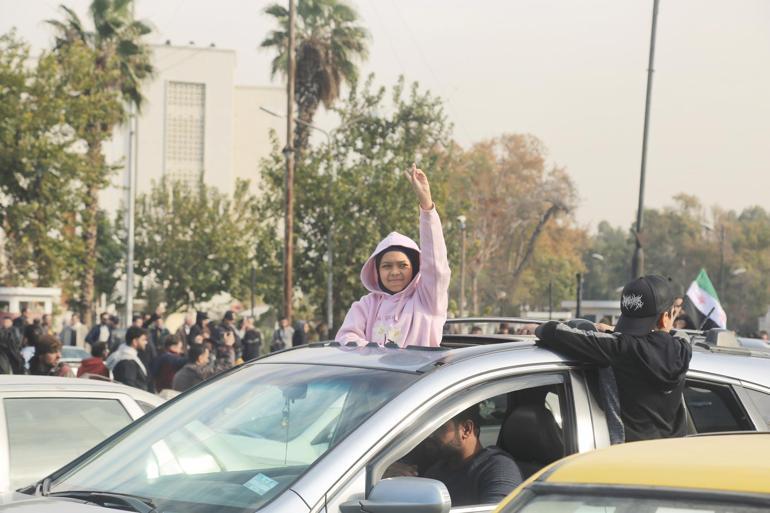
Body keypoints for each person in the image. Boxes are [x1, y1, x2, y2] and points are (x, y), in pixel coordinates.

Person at [535, 275, 692, 442]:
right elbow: (670, 336)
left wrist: (611, 332)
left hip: (626, 460)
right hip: (675, 459)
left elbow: (551, 331)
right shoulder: (684, 347)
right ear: (666, 316)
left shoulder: (619, 349)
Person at [336, 164, 451, 347]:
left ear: (415, 267)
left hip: (422, 376)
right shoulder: (367, 305)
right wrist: (378, 354)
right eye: (387, 266)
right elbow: (345, 338)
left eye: (402, 265)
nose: (394, 272)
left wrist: (427, 207)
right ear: (376, 271)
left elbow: (436, 264)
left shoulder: (428, 299)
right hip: (375, 376)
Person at [387, 404, 522, 506]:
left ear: (466, 429)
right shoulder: (438, 469)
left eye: (440, 428)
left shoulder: (498, 469)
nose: (430, 435)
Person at [107, 326, 151, 391]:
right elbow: (129, 386)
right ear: (135, 341)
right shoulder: (127, 360)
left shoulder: (123, 354)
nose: (146, 342)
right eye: (143, 340)